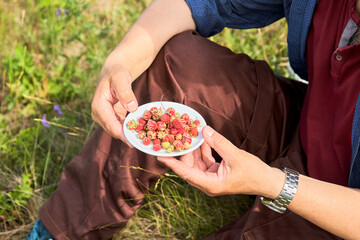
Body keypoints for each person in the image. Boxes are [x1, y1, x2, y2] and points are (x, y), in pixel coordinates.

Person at [26, 0, 360, 239]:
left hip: (343, 209)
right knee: (175, 62)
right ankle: (59, 232)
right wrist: (119, 62)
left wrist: (272, 184)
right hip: (307, 122)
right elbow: (194, 3)